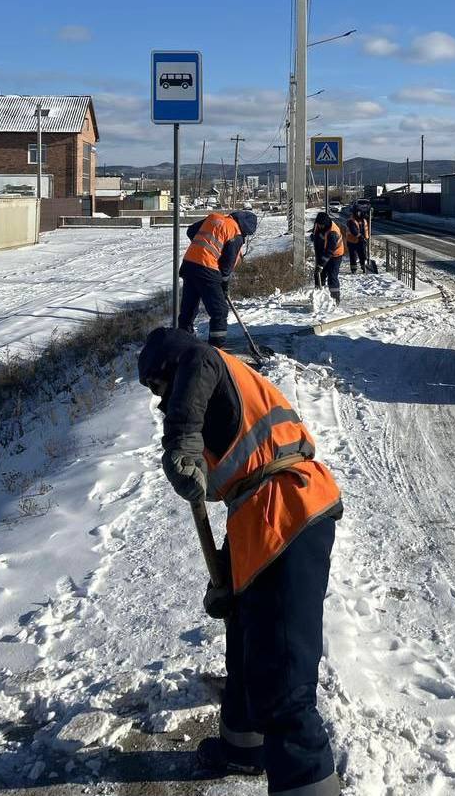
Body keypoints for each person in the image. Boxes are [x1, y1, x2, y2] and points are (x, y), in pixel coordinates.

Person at [138, 327, 343, 796]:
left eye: (157, 385)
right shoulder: (216, 399)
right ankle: (244, 747)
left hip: (291, 511)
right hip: (261, 519)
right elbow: (234, 481)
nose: (158, 399)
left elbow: (200, 359)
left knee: (283, 677)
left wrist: (182, 440)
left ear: (169, 364)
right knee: (246, 638)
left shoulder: (203, 366)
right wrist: (227, 579)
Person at [179, 210, 257, 347]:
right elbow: (227, 265)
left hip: (189, 264)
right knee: (219, 311)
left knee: (189, 308)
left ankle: (182, 342)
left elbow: (191, 231)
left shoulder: (214, 218)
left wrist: (204, 248)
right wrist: (224, 284)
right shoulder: (235, 233)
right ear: (246, 228)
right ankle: (216, 349)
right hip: (207, 268)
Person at [313, 212, 344, 304]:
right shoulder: (318, 225)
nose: (319, 226)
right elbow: (316, 235)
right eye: (318, 224)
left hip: (335, 255)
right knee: (318, 274)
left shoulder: (332, 232)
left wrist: (321, 264)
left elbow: (329, 251)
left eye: (321, 225)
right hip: (323, 252)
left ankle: (335, 299)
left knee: (332, 276)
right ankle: (318, 297)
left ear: (325, 223)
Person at [344, 207, 368, 275]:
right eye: (359, 213)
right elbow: (354, 231)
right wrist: (360, 236)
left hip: (361, 241)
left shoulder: (363, 220)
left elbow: (365, 230)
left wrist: (364, 238)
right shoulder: (351, 220)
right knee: (353, 256)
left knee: (363, 255)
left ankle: (364, 267)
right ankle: (353, 269)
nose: (360, 214)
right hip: (352, 241)